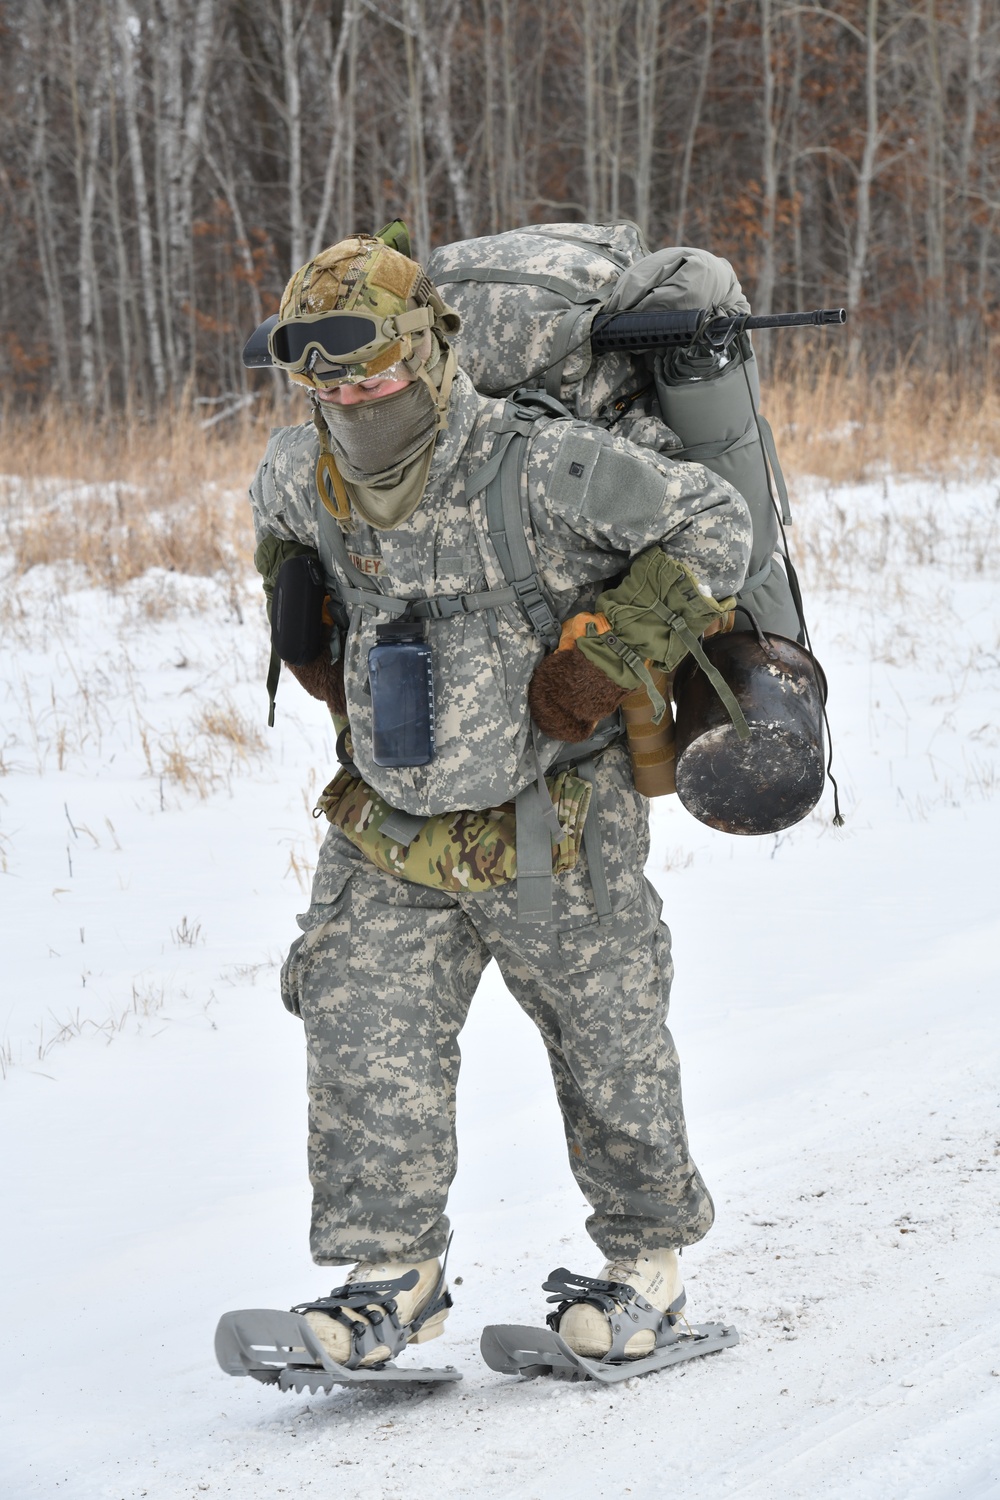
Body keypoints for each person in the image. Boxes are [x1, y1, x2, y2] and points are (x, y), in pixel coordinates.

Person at [248, 231, 751, 1370]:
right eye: (322, 371)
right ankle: (390, 1278)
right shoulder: (298, 469)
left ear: (429, 350)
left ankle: (647, 1268)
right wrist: (294, 605)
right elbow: (277, 528)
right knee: (359, 1023)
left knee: (605, 1032)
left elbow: (716, 524)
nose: (350, 390)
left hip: (549, 812)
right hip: (392, 814)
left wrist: (613, 650)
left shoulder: (545, 466)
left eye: (373, 363)